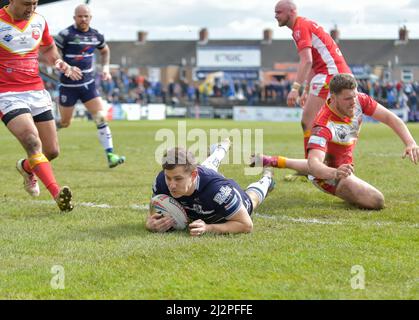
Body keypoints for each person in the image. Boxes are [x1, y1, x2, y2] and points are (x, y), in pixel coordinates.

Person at [251, 74, 419, 210]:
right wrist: (334, 173)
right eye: (347, 99)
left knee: (332, 164)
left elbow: (390, 118)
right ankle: (274, 162)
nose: (353, 102)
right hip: (327, 176)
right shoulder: (323, 125)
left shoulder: (360, 100)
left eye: (354, 96)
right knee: (376, 200)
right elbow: (314, 164)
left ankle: (271, 160)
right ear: (333, 97)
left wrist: (410, 142)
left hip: (342, 167)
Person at [0, 0, 83, 212]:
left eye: (35, 3)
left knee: (52, 151)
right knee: (31, 140)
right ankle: (58, 195)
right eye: (27, 4)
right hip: (7, 93)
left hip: (36, 91)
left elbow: (49, 50)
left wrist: (63, 65)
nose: (32, 9)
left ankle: (26, 167)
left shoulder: (39, 21)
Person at [146, 140, 275, 236]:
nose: (171, 185)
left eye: (178, 179)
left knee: (252, 200)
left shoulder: (218, 191)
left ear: (193, 175)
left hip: (223, 197)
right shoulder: (161, 181)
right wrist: (150, 223)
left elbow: (246, 225)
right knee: (207, 165)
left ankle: (267, 178)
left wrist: (208, 228)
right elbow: (154, 210)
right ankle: (222, 147)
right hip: (203, 178)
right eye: (168, 178)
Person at [274, 0, 352, 157]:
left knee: (309, 121)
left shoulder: (300, 27)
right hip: (331, 73)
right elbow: (312, 62)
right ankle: (320, 163)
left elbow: (307, 61)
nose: (275, 16)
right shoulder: (302, 25)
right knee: (321, 121)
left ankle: (311, 166)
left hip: (330, 74)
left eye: (279, 12)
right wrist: (307, 89)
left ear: (291, 11)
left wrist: (295, 89)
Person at [55, 4, 125, 168]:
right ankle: (47, 130)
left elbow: (105, 50)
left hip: (88, 85)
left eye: (86, 16)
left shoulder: (96, 35)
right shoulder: (65, 35)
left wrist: (106, 69)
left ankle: (110, 155)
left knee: (101, 117)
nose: (83, 19)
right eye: (80, 16)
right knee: (65, 123)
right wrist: (65, 66)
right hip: (68, 87)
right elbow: (54, 53)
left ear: (91, 18)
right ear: (74, 18)